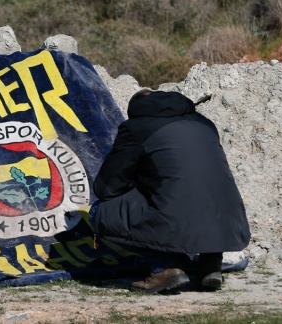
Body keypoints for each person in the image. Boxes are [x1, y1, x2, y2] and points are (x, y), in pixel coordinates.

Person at [91, 89, 250, 293]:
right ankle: (210, 264)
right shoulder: (204, 123)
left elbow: (107, 187)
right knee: (197, 195)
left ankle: (165, 268)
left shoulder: (136, 127)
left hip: (181, 217)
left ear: (136, 110)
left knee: (98, 211)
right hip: (230, 220)